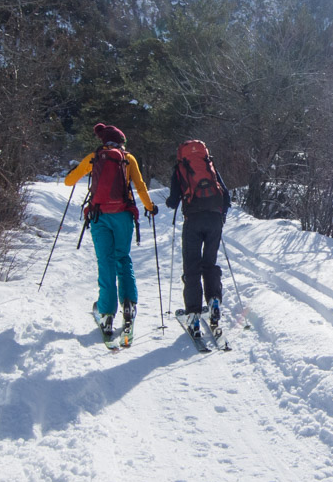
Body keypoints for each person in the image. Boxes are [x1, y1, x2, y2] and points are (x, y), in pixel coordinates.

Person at [64, 122, 156, 341]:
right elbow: (140, 186)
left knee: (105, 262)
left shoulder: (94, 157)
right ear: (121, 142)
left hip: (99, 216)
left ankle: (106, 313)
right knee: (122, 258)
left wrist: (75, 171)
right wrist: (150, 207)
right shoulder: (127, 158)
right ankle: (129, 305)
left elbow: (69, 182)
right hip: (123, 215)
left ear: (103, 141)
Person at [165, 137, 232, 339]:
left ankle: (193, 314)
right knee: (209, 263)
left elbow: (173, 201)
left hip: (193, 221)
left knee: (192, 266)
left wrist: (173, 201)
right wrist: (221, 215)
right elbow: (226, 196)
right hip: (214, 220)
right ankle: (214, 301)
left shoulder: (180, 169)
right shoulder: (209, 165)